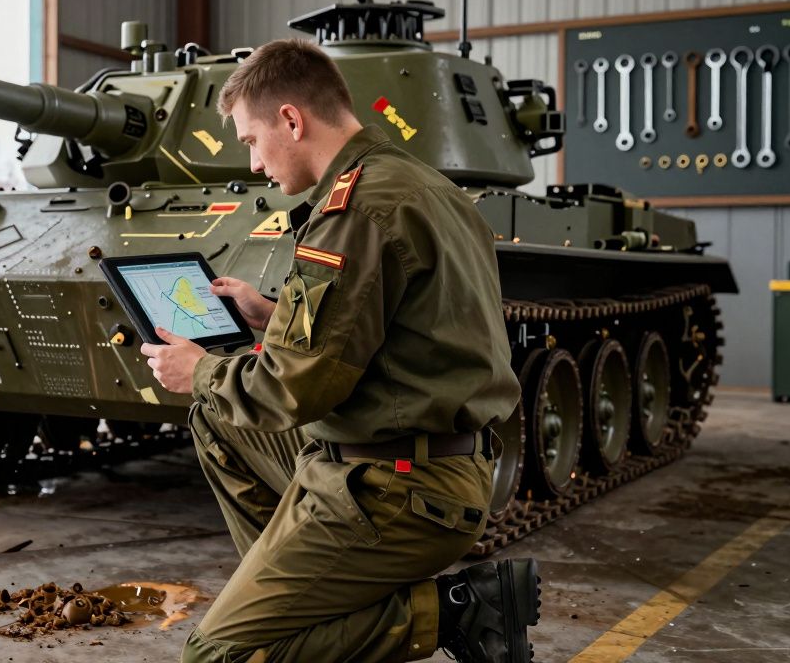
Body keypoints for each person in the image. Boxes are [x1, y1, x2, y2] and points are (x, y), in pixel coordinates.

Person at [140, 38, 540, 663]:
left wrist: (201, 369)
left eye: (250, 140)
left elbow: (293, 390)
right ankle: (301, 599)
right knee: (217, 419)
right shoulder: (423, 185)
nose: (252, 165)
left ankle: (456, 612)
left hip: (402, 486)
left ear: (292, 120)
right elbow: (395, 333)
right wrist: (269, 313)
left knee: (217, 656)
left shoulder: (355, 209)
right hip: (426, 460)